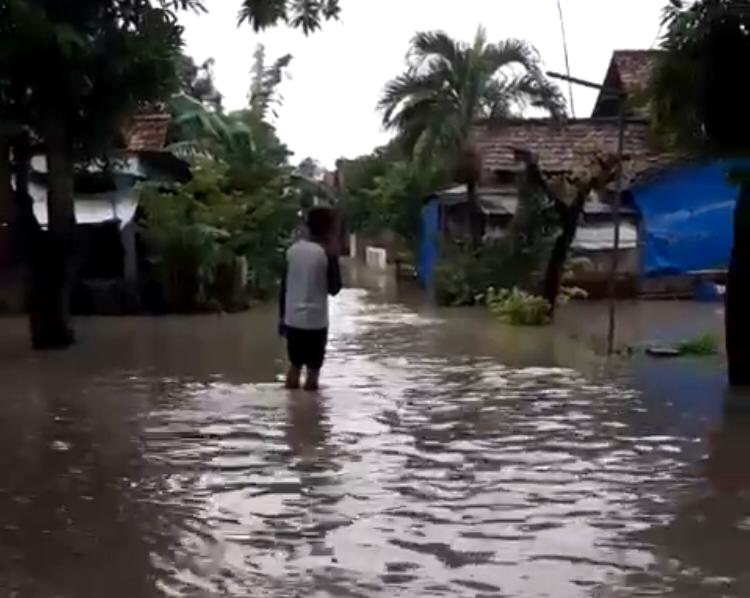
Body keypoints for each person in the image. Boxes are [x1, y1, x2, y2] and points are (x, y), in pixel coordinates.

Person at [279, 207, 342, 391]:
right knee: (313, 374)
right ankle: (310, 415)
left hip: (293, 320)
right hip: (316, 322)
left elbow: (283, 288)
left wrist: (281, 317)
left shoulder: (292, 251)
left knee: (294, 366)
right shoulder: (327, 254)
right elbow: (334, 288)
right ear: (328, 229)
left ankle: (291, 413)